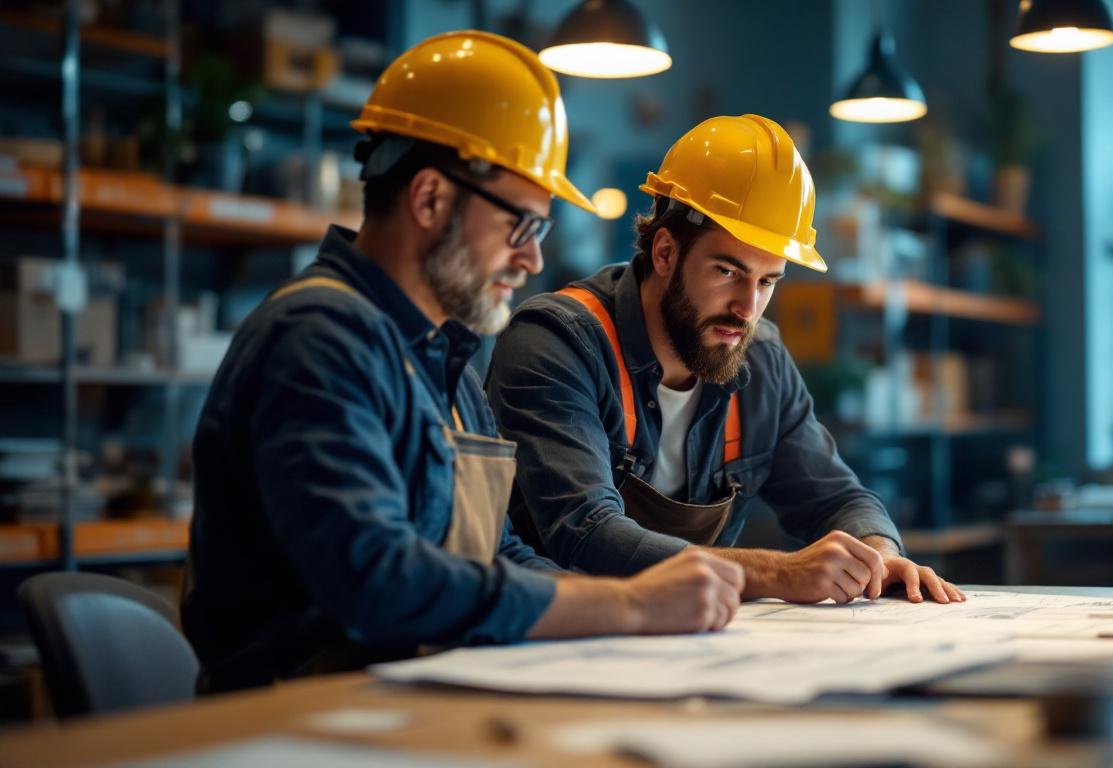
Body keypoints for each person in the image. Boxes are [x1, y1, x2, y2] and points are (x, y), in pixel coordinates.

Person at [181, 31, 743, 694]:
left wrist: (638, 611)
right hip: (291, 722)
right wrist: (630, 606)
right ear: (429, 199)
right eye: (523, 225)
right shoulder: (319, 339)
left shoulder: (443, 360)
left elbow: (495, 555)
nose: (533, 260)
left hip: (405, 700)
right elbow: (378, 582)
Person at [489, 114, 965, 606]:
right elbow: (587, 533)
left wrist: (877, 555)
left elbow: (839, 498)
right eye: (727, 271)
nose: (747, 308)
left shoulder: (761, 361)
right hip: (555, 642)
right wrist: (775, 572)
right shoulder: (557, 342)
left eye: (767, 282)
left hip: (694, 643)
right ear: (666, 252)